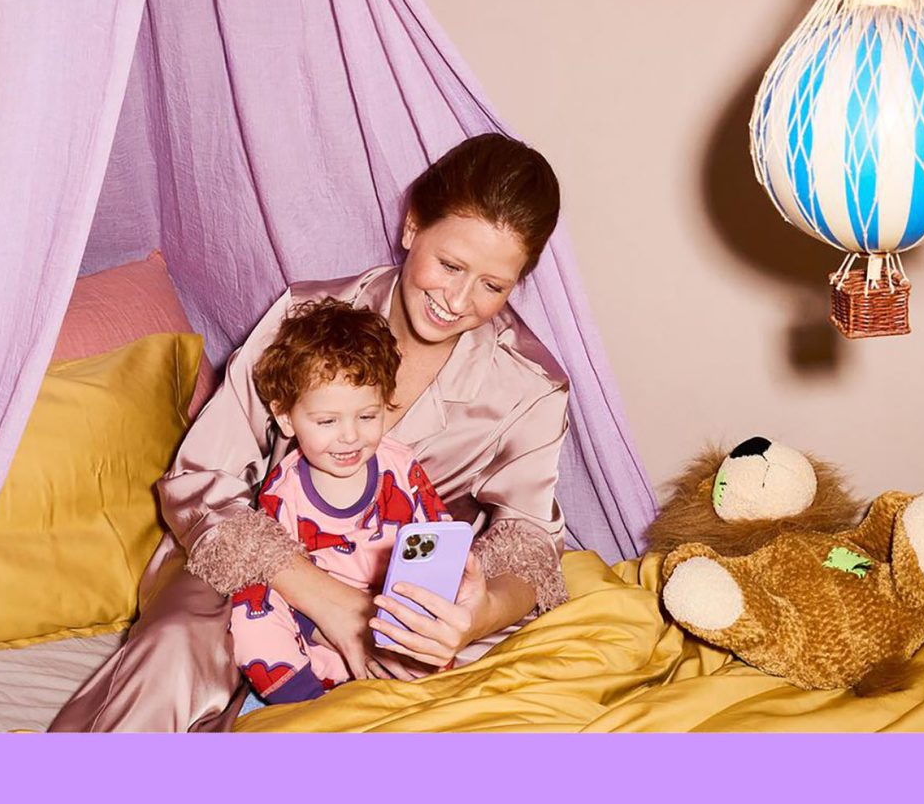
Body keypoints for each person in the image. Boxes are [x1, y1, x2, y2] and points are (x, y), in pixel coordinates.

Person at [50, 132, 572, 731]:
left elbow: (529, 542)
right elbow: (203, 479)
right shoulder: (304, 315)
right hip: (251, 554)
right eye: (450, 265)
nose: (457, 300)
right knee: (174, 652)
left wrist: (478, 614)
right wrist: (324, 598)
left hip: (403, 600)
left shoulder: (530, 386)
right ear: (411, 227)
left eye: (492, 285)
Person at [226, 299, 453, 705]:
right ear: (285, 417)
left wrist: (410, 612)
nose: (349, 436)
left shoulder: (400, 467)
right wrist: (319, 625)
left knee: (434, 625)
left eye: (367, 417)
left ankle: (408, 692)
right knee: (249, 609)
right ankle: (306, 706)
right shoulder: (284, 490)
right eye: (328, 421)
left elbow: (437, 540)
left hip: (391, 618)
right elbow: (274, 572)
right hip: (315, 625)